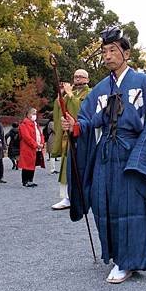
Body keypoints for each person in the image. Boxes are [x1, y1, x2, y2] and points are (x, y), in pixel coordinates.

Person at [61, 26, 146, 284]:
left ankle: (129, 261)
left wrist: (140, 157)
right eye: (104, 51)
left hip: (132, 152)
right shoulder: (98, 89)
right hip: (105, 155)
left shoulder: (143, 83)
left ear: (126, 53)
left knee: (131, 206)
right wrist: (74, 126)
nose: (107, 56)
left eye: (113, 50)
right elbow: (87, 121)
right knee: (104, 203)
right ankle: (116, 254)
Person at [51, 69, 91, 210]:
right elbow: (59, 110)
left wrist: (68, 94)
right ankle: (67, 197)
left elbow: (81, 111)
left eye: (81, 77)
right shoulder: (71, 94)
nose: (78, 79)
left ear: (87, 79)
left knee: (80, 166)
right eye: (75, 77)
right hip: (68, 136)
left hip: (82, 136)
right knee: (66, 166)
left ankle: (82, 196)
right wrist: (60, 96)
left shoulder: (90, 93)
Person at [18, 107, 45, 187]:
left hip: (35, 148)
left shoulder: (35, 124)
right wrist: (36, 144)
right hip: (28, 148)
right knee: (27, 165)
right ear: (28, 114)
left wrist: (42, 143)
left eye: (35, 114)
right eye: (33, 113)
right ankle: (25, 181)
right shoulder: (24, 124)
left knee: (32, 164)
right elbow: (26, 137)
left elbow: (41, 134)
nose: (34, 115)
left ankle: (30, 180)